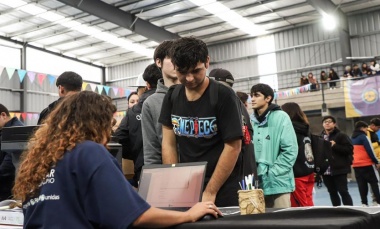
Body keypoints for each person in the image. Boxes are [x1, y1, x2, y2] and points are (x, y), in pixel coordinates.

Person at [13, 91, 221, 228]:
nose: (110, 131)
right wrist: (189, 215)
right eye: (109, 123)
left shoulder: (38, 162)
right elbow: (138, 217)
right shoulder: (89, 152)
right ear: (96, 123)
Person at [159, 37, 243, 207]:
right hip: (188, 186)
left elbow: (233, 147)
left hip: (221, 186)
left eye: (196, 71)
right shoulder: (172, 96)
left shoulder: (223, 95)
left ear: (207, 62)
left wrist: (210, 191)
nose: (189, 78)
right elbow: (168, 143)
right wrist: (175, 181)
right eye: (182, 72)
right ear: (174, 66)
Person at [250, 83, 298, 208]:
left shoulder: (281, 117)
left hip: (278, 182)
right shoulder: (250, 121)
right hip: (256, 183)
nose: (252, 99)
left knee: (281, 222)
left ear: (268, 98)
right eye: (251, 96)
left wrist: (273, 172)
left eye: (256, 95)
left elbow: (290, 150)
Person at [114, 63, 161, 187]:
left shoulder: (134, 111)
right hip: (175, 168)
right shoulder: (172, 101)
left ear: (146, 86)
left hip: (143, 169)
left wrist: (136, 151)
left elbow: (119, 140)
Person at [209, 68, 257, 182]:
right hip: (247, 173)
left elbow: (232, 147)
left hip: (230, 175)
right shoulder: (239, 104)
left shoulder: (222, 104)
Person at [142, 40, 179, 165]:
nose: (177, 63)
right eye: (171, 59)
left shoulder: (194, 94)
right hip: (171, 174)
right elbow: (151, 150)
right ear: (159, 62)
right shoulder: (151, 103)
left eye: (179, 59)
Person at [281, 102, 315, 207]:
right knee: (308, 201)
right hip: (309, 169)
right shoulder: (306, 128)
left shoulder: (290, 129)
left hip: (297, 172)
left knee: (299, 207)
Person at [320, 116, 353, 206]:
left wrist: (335, 146)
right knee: (332, 192)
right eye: (325, 122)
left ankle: (350, 211)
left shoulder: (341, 135)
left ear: (334, 124)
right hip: (326, 170)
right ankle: (337, 211)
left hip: (339, 169)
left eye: (330, 122)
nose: (327, 123)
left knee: (343, 191)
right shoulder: (320, 137)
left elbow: (349, 149)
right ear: (323, 124)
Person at [351, 121, 380, 207]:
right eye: (366, 128)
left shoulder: (351, 138)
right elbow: (370, 150)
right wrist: (376, 161)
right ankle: (378, 202)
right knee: (375, 183)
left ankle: (364, 203)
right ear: (362, 128)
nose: (367, 130)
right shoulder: (363, 137)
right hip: (367, 164)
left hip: (356, 165)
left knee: (361, 184)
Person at [0, 104, 24, 201]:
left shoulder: (15, 132)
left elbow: (8, 164)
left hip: (9, 188)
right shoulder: (5, 131)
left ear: (3, 115)